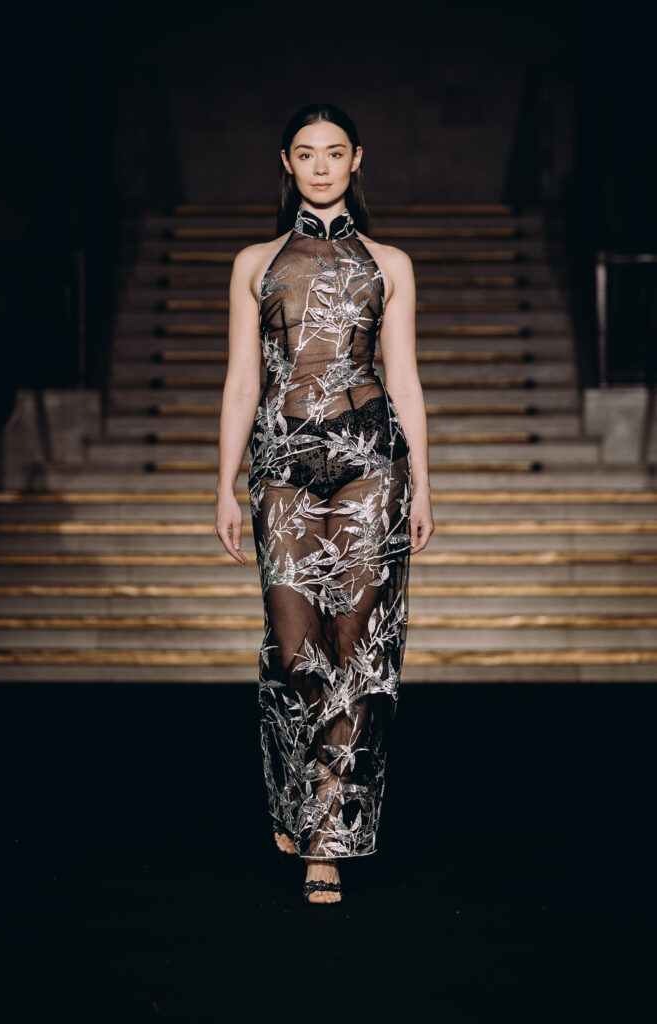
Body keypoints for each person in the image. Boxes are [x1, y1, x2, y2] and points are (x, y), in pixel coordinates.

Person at [214, 103, 434, 904]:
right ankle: (295, 790)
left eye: (333, 152)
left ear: (356, 159)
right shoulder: (255, 262)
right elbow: (243, 379)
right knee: (293, 645)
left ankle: (326, 834)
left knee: (355, 643)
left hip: (371, 462)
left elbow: (401, 376)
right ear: (285, 162)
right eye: (305, 153)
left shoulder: (389, 263)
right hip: (280, 464)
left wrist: (423, 481)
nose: (319, 165)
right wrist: (223, 483)